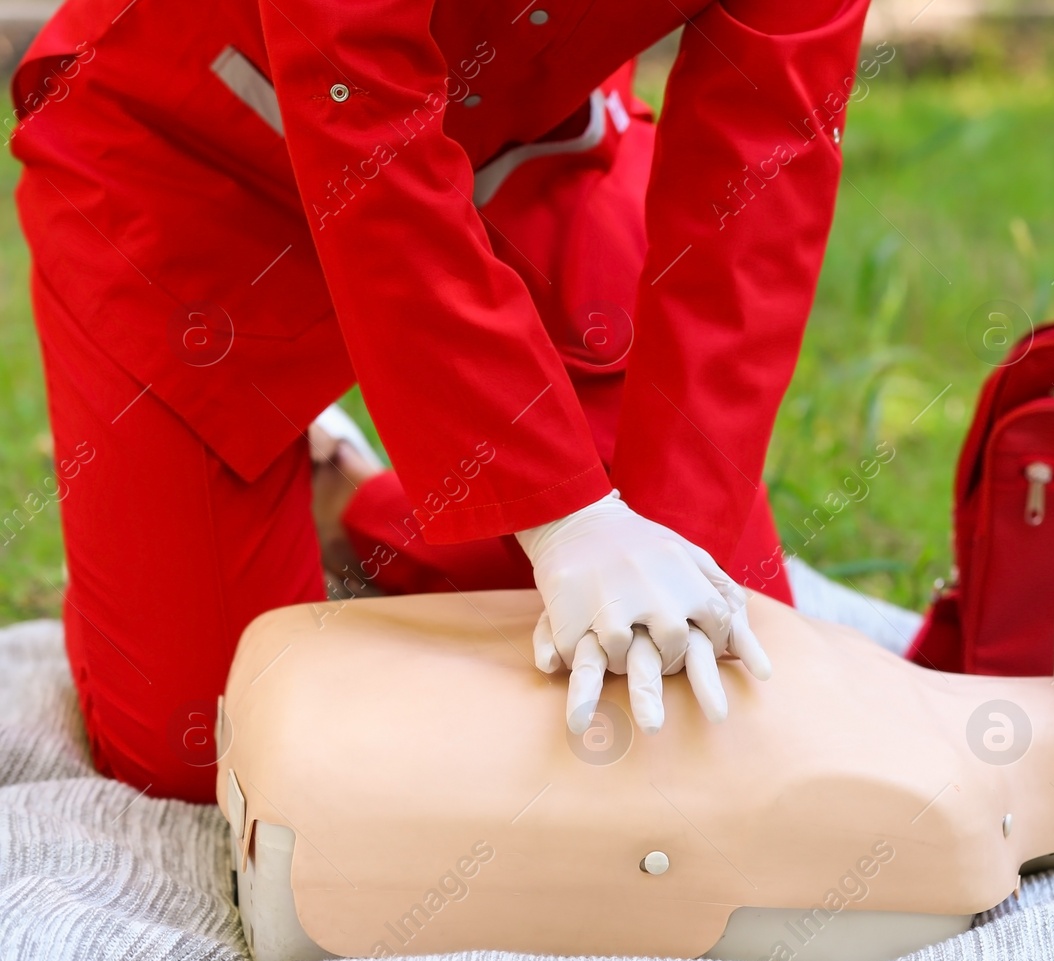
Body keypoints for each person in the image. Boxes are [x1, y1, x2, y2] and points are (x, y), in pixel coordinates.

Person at [9, 0, 871, 802]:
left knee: (709, 673)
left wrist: (678, 537)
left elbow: (771, 148)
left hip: (524, 159)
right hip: (198, 157)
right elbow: (358, 96)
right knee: (205, 746)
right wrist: (564, 513)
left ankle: (346, 502)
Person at [221, 553, 1054, 961]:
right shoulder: (924, 744)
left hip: (324, 801)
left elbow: (630, 850)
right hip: (321, 707)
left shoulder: (938, 827)